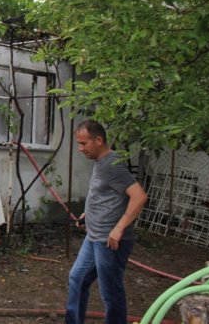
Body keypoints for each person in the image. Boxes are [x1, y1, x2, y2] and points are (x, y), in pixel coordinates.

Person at [65, 119, 148, 324]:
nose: (80, 148)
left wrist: (118, 228)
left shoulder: (112, 164)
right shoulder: (100, 162)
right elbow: (105, 196)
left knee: (111, 294)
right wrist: (88, 215)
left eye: (84, 143)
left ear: (99, 140)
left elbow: (139, 196)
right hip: (94, 237)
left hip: (110, 242)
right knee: (77, 278)